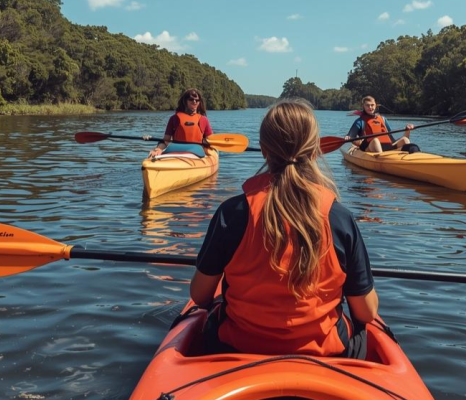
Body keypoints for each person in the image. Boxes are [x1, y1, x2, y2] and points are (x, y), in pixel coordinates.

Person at [189, 99, 378, 359]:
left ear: (265, 150)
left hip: (238, 347)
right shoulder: (339, 217)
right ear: (314, 151)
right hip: (326, 352)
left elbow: (199, 295)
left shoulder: (231, 213)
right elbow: (366, 313)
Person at [147, 88, 213, 158]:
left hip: (196, 153)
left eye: (197, 100)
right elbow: (165, 141)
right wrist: (158, 149)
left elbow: (211, 140)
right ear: (185, 101)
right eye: (191, 99)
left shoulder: (203, 120)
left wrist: (207, 143)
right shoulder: (174, 118)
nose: (194, 102)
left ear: (199, 102)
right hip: (176, 151)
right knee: (160, 144)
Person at [344, 96, 415, 153]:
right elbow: (351, 135)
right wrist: (348, 137)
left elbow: (390, 137)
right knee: (375, 140)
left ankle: (410, 158)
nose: (370, 107)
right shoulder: (360, 121)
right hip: (369, 146)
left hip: (387, 146)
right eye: (367, 105)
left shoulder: (383, 119)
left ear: (375, 105)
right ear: (363, 106)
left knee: (405, 140)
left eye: (372, 105)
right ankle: (382, 160)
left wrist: (407, 130)